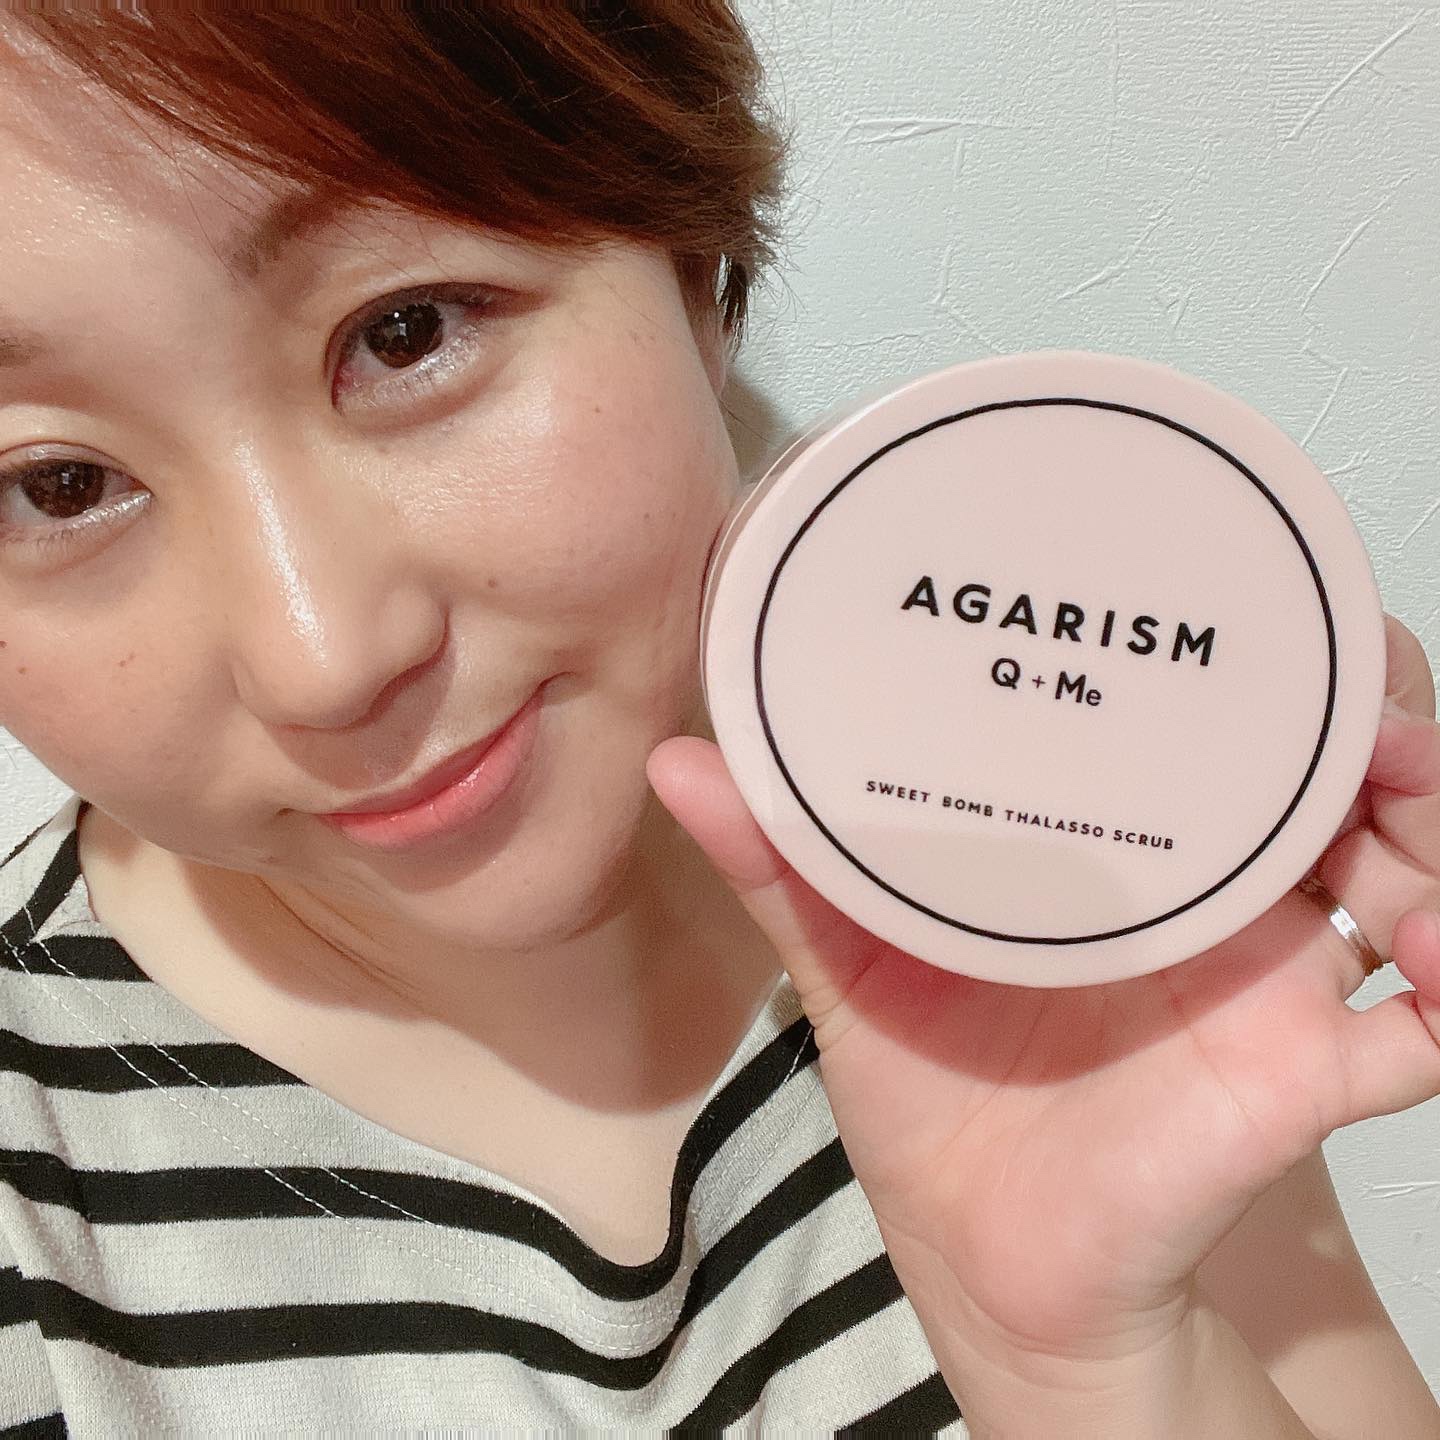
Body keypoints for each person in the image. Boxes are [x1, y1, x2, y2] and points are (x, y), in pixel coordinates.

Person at [0, 6, 1438, 1434]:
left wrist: (1102, 1372)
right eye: (54, 486)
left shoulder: (1033, 886)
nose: (320, 659)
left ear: (695, 259)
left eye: (404, 330)